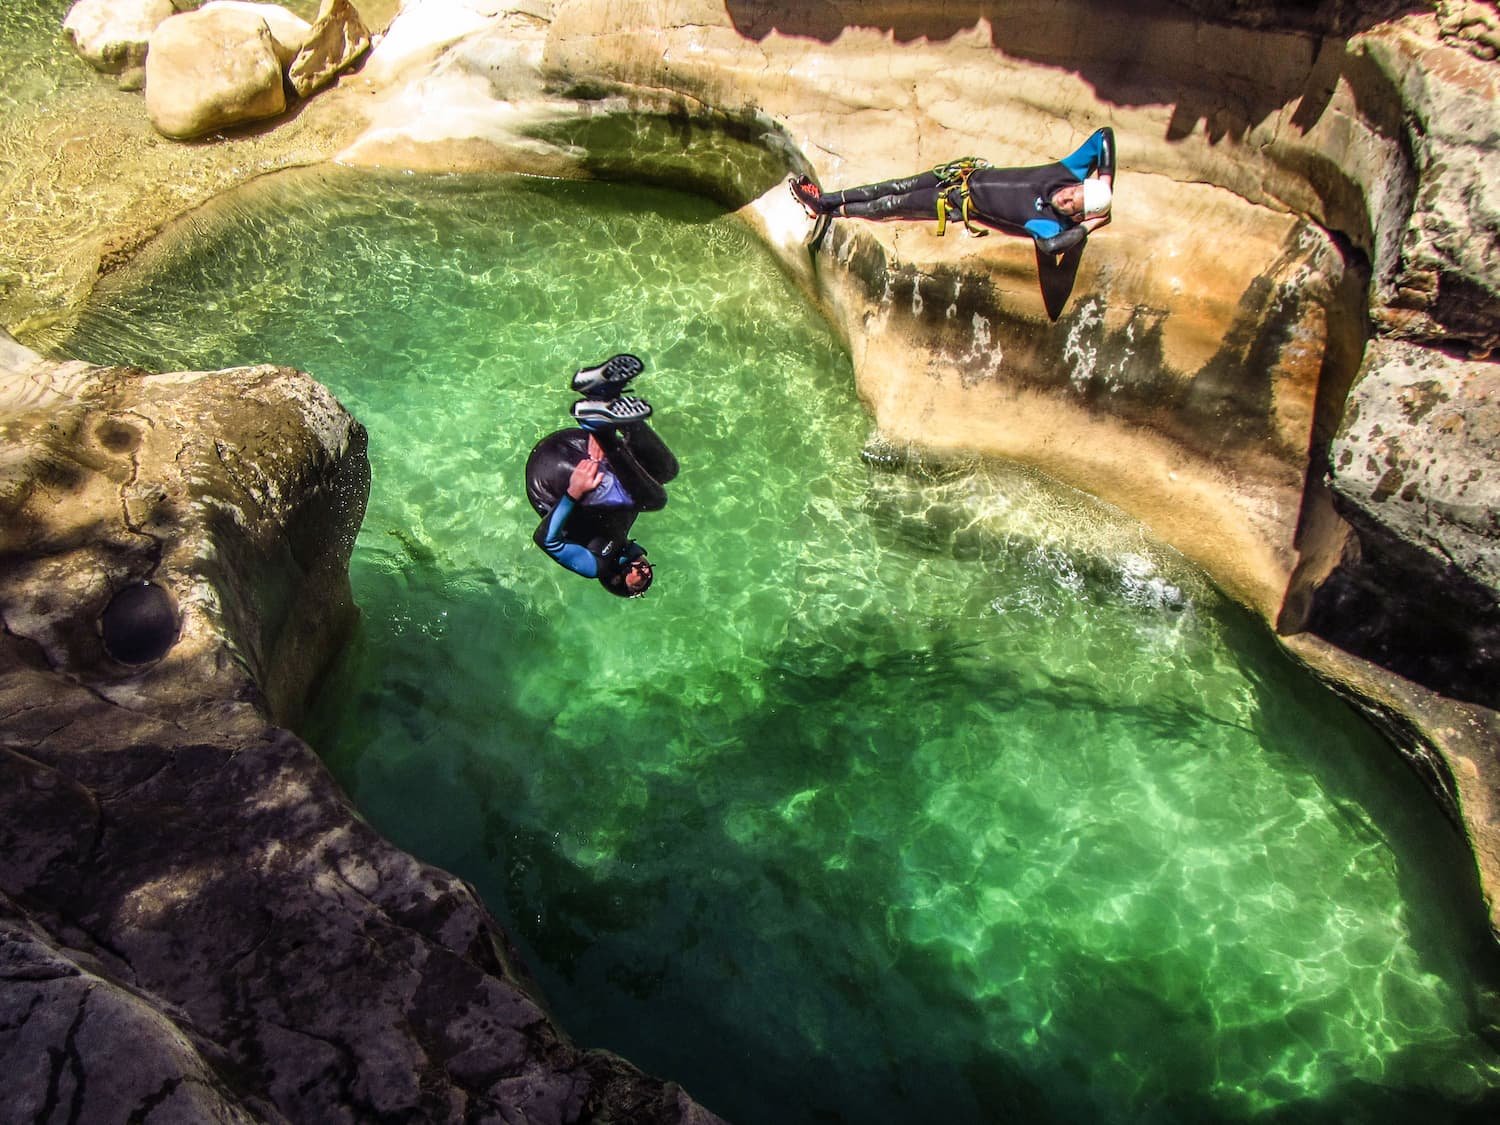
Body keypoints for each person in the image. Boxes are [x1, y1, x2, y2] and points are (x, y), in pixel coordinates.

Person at [790, 127, 1115, 255]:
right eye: (1075, 192)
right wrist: (1106, 182)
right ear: (1079, 183)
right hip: (961, 173)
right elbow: (1104, 137)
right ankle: (825, 201)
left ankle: (827, 208)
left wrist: (1089, 224)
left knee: (890, 204)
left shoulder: (1047, 223)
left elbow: (1052, 247)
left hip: (955, 202)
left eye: (1074, 205)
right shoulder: (1066, 172)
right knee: (891, 186)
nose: (1067, 198)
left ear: (1075, 216)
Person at [526, 354, 679, 598]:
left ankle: (602, 425)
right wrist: (601, 453)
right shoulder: (625, 521)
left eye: (639, 584)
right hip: (577, 447)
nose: (647, 574)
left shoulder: (595, 565)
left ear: (617, 579)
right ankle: (603, 398)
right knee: (666, 472)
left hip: (552, 476)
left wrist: (573, 491)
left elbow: (546, 540)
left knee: (654, 500)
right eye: (650, 576)